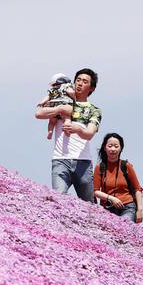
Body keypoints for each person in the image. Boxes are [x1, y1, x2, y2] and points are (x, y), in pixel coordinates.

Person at [35, 68, 102, 202]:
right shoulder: (62, 100)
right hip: (60, 159)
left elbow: (89, 134)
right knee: (58, 201)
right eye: (78, 80)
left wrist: (77, 129)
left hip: (83, 162)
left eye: (84, 81)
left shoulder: (94, 110)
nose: (79, 83)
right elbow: (39, 113)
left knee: (89, 204)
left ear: (92, 88)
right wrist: (60, 109)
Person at [94, 132, 143, 223]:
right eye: (110, 146)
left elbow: (137, 189)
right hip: (108, 208)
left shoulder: (126, 166)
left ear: (121, 148)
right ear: (105, 148)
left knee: (123, 226)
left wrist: (140, 210)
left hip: (127, 207)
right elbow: (96, 191)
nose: (113, 149)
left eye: (116, 146)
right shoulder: (99, 167)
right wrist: (111, 198)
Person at [37, 72, 75, 139]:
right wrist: (76, 98)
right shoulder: (66, 86)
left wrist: (41, 102)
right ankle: (67, 129)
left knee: (51, 121)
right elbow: (70, 92)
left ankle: (50, 131)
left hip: (53, 105)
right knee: (66, 118)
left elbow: (48, 97)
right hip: (64, 103)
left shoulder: (53, 89)